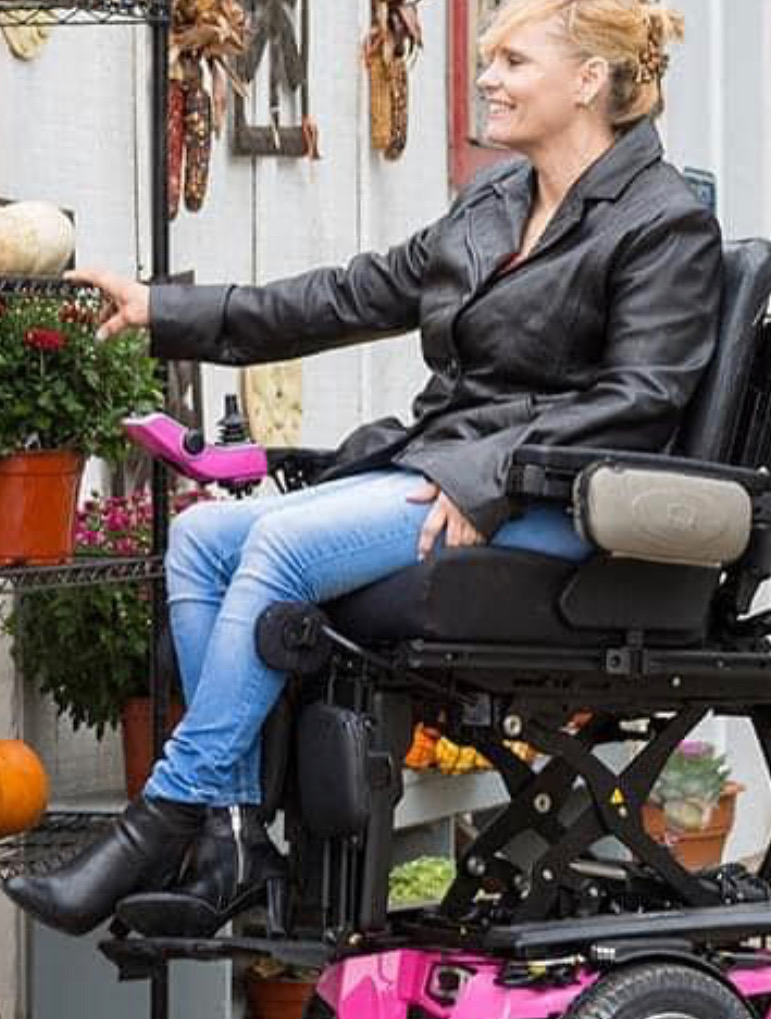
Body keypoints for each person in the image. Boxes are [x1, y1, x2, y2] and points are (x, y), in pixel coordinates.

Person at [4, 0, 722, 938]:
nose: (488, 77)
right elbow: (350, 294)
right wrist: (163, 309)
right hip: (450, 472)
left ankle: (164, 818)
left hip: (552, 503)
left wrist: (489, 476)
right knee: (203, 536)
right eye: (489, 59)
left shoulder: (664, 222)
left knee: (281, 545)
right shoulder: (498, 201)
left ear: (588, 80)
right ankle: (232, 836)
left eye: (512, 60)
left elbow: (642, 398)